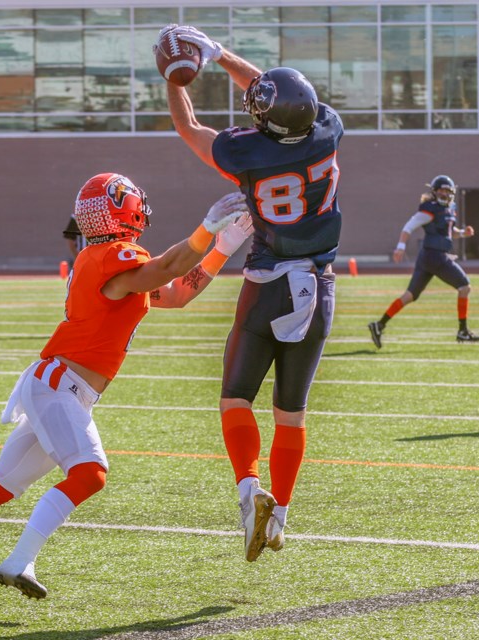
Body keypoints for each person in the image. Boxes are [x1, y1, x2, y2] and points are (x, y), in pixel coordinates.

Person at [0, 172, 252, 600]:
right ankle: (21, 559)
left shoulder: (111, 263)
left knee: (1, 485)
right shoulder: (112, 256)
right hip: (58, 385)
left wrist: (224, 247)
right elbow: (167, 268)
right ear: (125, 208)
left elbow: (175, 293)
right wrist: (206, 229)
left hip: (63, 388)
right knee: (90, 473)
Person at [160, 25, 342, 562]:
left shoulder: (246, 153)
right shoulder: (328, 129)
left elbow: (188, 124)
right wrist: (221, 55)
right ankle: (279, 516)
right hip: (320, 288)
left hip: (266, 285)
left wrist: (177, 76)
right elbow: (278, 95)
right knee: (293, 412)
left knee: (236, 398)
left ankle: (248, 492)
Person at [368, 175, 479, 348]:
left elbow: (449, 232)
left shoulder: (450, 208)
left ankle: (379, 324)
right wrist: (400, 247)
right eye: (441, 190)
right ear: (435, 192)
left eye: (447, 191)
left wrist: (463, 233)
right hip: (435, 257)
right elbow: (408, 227)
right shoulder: (429, 209)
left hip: (428, 257)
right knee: (464, 287)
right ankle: (463, 331)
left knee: (410, 296)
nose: (444, 194)